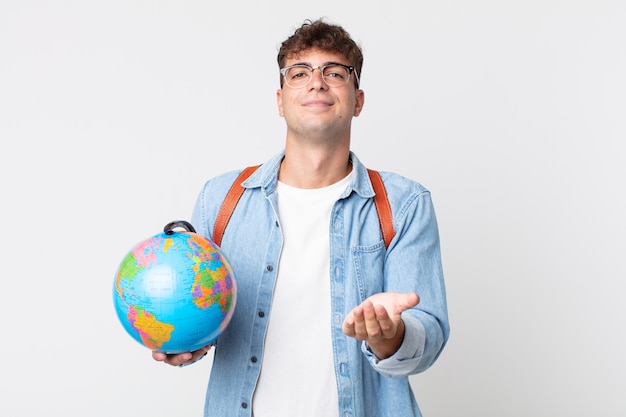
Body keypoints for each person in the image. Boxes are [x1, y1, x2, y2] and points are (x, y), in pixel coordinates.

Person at [152, 18, 450, 417]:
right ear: (280, 99)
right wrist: (183, 342)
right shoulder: (221, 199)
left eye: (335, 72)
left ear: (358, 100)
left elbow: (426, 336)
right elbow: (199, 309)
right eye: (299, 72)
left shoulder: (404, 204)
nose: (317, 82)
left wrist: (390, 335)